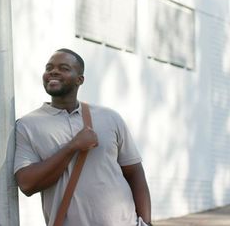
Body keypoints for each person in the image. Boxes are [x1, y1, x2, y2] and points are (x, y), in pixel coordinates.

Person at [14, 49, 152, 226]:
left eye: (63, 68)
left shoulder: (110, 118)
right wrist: (73, 147)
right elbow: (27, 184)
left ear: (80, 79)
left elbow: (135, 173)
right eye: (49, 68)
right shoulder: (28, 125)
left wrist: (146, 222)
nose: (53, 71)